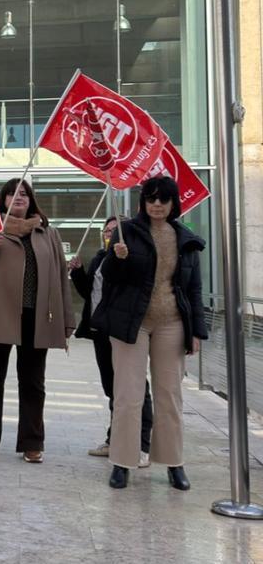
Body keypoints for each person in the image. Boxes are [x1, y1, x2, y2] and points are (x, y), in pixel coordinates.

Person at [97, 176, 206, 491]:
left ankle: (173, 463)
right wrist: (115, 259)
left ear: (173, 204)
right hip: (133, 323)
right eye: (151, 199)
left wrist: (196, 331)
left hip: (172, 323)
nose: (157, 205)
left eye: (164, 199)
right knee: (128, 395)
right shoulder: (126, 232)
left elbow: (194, 290)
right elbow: (110, 278)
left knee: (169, 395)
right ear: (143, 202)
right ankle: (122, 462)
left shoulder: (186, 239)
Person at [0, 177, 70, 463]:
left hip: (37, 318)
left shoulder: (47, 233)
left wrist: (67, 319)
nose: (18, 197)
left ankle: (32, 443)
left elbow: (60, 278)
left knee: (33, 382)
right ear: (4, 200)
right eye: (12, 194)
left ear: (31, 199)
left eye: (24, 193)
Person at [70, 216, 153, 463]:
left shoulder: (136, 258)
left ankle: (142, 445)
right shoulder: (99, 257)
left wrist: (124, 258)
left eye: (115, 230)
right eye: (106, 231)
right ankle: (115, 439)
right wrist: (77, 273)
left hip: (122, 331)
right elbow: (90, 292)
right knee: (112, 389)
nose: (109, 234)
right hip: (100, 331)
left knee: (135, 387)